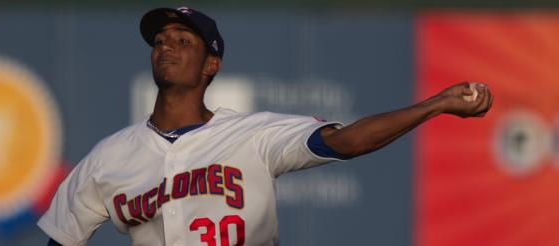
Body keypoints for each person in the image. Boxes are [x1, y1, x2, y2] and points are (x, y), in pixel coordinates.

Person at [38, 6, 493, 246]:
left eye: (183, 40)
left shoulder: (254, 135)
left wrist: (436, 103)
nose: (167, 47)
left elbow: (346, 141)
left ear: (210, 63)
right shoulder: (108, 157)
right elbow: (63, 239)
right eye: (159, 41)